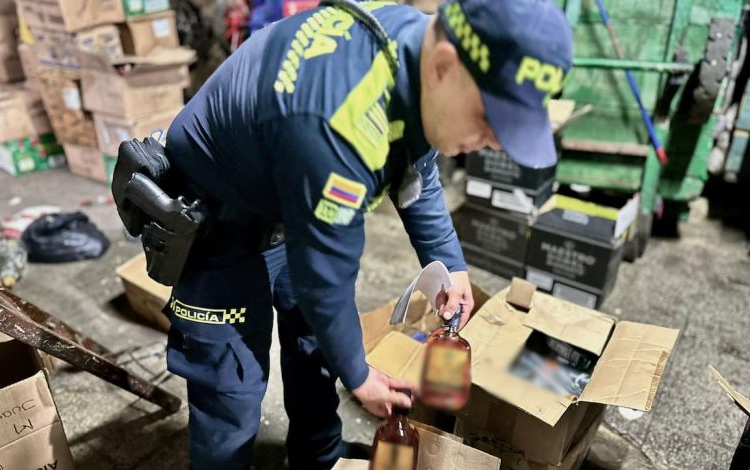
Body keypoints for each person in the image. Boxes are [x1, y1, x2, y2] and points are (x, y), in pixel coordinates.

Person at [161, 0, 572, 468]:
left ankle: (316, 457)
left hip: (285, 189)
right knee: (231, 387)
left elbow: (417, 169)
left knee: (316, 344)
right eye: (489, 121)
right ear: (444, 67)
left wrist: (450, 263)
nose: (497, 143)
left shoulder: (415, 43)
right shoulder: (337, 122)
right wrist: (360, 378)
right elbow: (325, 275)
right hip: (220, 212)